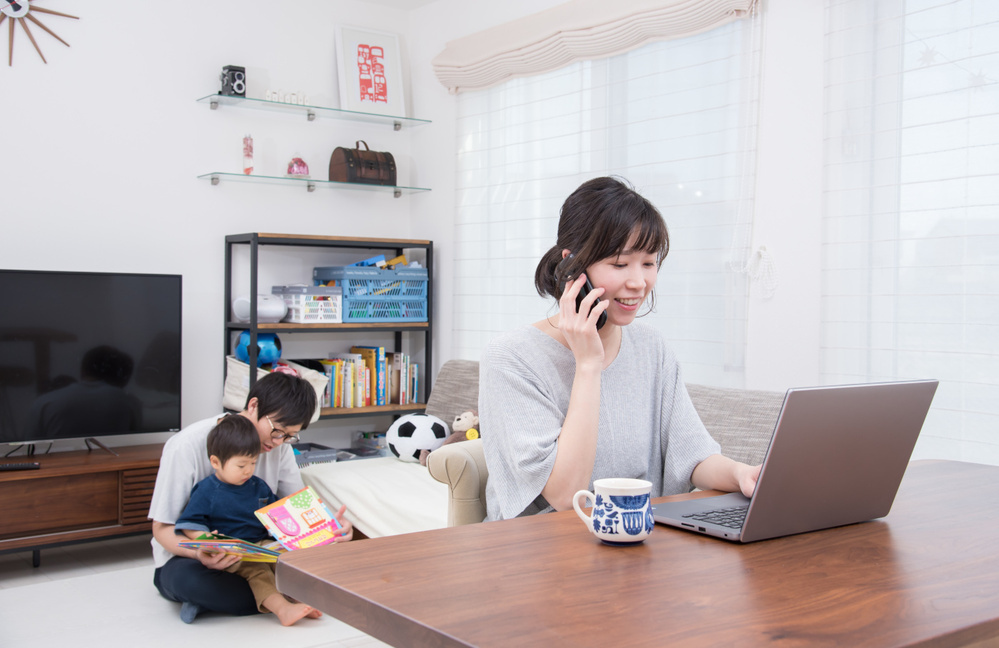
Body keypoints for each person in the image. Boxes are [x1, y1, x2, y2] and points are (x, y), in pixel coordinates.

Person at [480, 176, 761, 521]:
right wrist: (587, 365)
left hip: (635, 544)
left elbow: (694, 455)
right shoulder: (511, 358)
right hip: (544, 553)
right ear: (572, 265)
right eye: (619, 264)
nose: (638, 283)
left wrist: (741, 475)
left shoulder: (651, 348)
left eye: (648, 263)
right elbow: (567, 496)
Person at [149, 371, 353, 623]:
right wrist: (199, 553)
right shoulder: (187, 445)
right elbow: (162, 528)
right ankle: (278, 597)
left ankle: (247, 599)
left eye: (290, 436)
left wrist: (330, 528)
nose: (279, 442)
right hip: (191, 559)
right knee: (191, 581)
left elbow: (296, 506)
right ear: (253, 405)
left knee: (325, 566)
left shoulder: (281, 448)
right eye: (278, 431)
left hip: (256, 551)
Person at [174, 414, 319, 626]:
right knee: (257, 570)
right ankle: (282, 609)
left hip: (261, 545)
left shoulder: (258, 486)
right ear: (215, 462)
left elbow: (278, 513)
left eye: (252, 463)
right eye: (241, 466)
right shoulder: (207, 491)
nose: (248, 470)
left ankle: (299, 599)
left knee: (289, 561)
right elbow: (189, 524)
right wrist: (208, 540)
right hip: (233, 551)